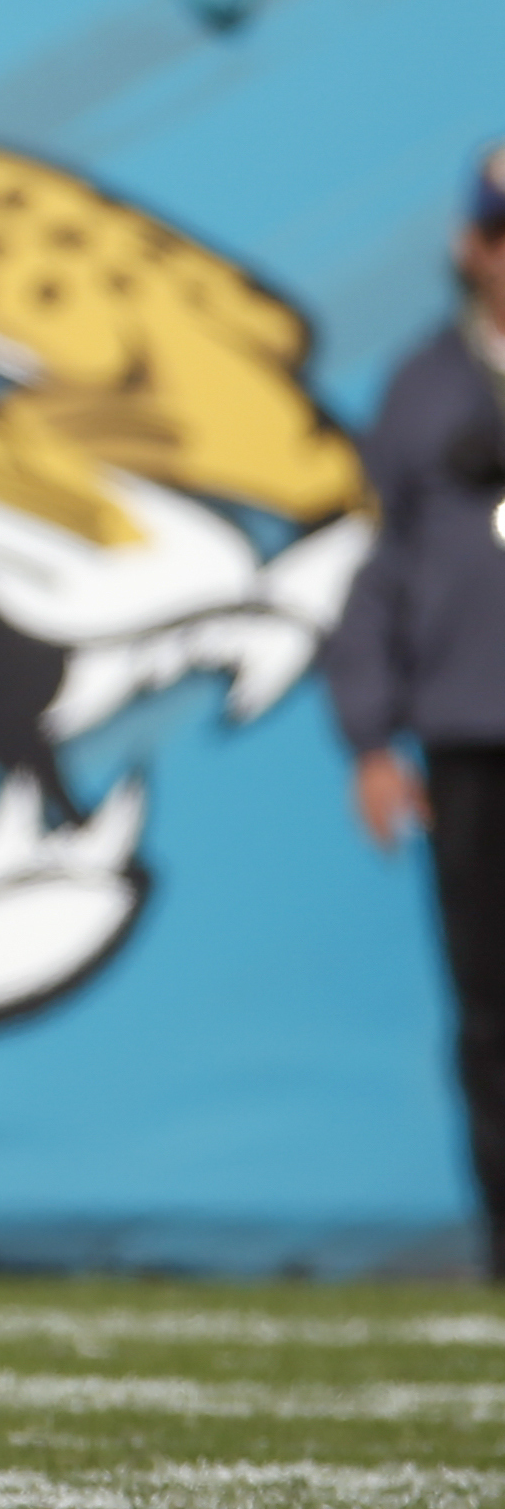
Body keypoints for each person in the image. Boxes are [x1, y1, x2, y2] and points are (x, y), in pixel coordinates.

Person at [324, 142, 505, 1283]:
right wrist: (368, 734)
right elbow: (375, 571)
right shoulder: (423, 386)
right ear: (470, 246)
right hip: (470, 731)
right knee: (490, 1009)